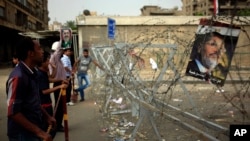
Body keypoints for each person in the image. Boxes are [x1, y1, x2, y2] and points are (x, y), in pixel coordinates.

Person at [6, 37, 56, 141]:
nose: (42, 52)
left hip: (33, 130)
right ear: (30, 53)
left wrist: (47, 117)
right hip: (21, 135)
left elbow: (34, 101)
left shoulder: (33, 72)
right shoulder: (18, 77)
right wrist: (40, 132)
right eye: (39, 49)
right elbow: (13, 112)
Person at [37, 51, 68, 138]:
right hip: (44, 106)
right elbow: (44, 91)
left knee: (51, 130)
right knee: (49, 130)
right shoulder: (39, 74)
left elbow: (50, 79)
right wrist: (60, 86)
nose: (49, 62)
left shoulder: (43, 72)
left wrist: (59, 77)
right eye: (47, 61)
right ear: (42, 62)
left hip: (47, 103)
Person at [49, 41, 68, 132]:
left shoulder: (59, 60)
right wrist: (63, 39)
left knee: (61, 106)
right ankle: (57, 125)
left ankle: (58, 124)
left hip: (62, 83)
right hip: (58, 84)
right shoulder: (54, 58)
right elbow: (58, 51)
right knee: (58, 106)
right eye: (62, 50)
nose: (62, 51)